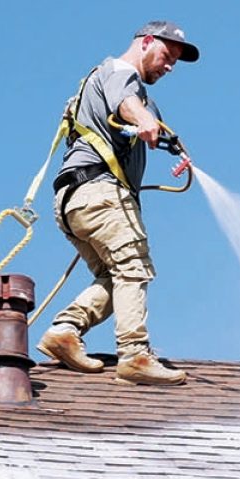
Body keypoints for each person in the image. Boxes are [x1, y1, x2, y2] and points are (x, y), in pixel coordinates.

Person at [36, 20, 200, 386]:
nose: (169, 66)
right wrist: (143, 118)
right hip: (99, 193)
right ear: (145, 42)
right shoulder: (119, 72)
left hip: (75, 199)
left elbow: (137, 112)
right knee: (134, 266)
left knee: (115, 277)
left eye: (174, 62)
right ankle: (135, 355)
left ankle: (65, 331)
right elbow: (126, 103)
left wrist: (165, 135)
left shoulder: (126, 88)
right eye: (166, 55)